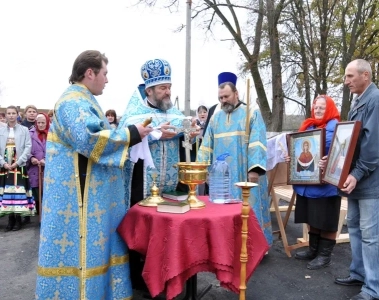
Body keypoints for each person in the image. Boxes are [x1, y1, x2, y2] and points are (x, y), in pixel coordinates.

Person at [35, 50, 153, 300]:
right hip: (77, 203)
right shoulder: (73, 102)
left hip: (91, 201)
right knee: (80, 255)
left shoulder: (84, 99)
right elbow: (90, 139)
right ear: (90, 72)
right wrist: (132, 134)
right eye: (105, 73)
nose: (107, 80)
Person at [119, 58, 199, 293]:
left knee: (167, 230)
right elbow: (125, 129)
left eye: (169, 87)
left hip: (170, 184)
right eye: (163, 88)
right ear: (149, 89)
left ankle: (166, 275)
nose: (168, 92)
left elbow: (182, 128)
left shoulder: (173, 113)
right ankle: (138, 280)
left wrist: (189, 134)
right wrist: (154, 132)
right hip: (141, 183)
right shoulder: (134, 113)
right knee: (142, 229)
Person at [329, 59, 379, 300]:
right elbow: (352, 143)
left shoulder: (376, 101)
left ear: (365, 75)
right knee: (356, 229)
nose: (345, 81)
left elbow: (373, 150)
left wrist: (354, 173)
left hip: (371, 182)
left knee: (373, 237)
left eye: (349, 76)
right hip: (359, 180)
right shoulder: (360, 101)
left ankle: (373, 290)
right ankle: (359, 274)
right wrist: (334, 161)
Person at [197, 72, 273, 246]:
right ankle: (226, 245)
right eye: (220, 97)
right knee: (223, 210)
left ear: (236, 93)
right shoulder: (215, 118)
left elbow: (258, 142)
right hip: (222, 177)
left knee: (249, 209)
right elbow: (206, 145)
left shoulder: (251, 113)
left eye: (226, 96)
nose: (223, 100)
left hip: (245, 174)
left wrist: (254, 169)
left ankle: (254, 247)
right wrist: (202, 169)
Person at [286, 95, 341, 270]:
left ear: (330, 109)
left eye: (322, 108)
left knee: (326, 219)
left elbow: (343, 154)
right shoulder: (308, 126)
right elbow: (301, 151)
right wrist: (292, 157)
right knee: (312, 217)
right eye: (315, 107)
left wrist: (330, 159)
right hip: (306, 182)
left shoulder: (337, 129)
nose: (317, 110)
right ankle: (313, 250)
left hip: (326, 185)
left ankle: (324, 256)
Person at [0, 105, 34, 231]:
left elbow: (28, 147)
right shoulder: (1, 131)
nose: (11, 115)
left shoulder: (24, 130)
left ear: (17, 114)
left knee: (17, 191)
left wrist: (18, 162)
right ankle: (10, 219)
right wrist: (3, 163)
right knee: (7, 192)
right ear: (6, 115)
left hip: (18, 165)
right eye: (8, 113)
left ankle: (18, 219)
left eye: (13, 113)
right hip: (5, 165)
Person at [26, 113, 50, 221]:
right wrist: (31, 158)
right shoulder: (30, 133)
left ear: (47, 122)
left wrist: (46, 159)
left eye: (43, 123)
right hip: (34, 168)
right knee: (36, 193)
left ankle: (47, 218)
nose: (40, 125)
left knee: (48, 194)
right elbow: (25, 149)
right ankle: (39, 217)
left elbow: (55, 151)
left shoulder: (52, 134)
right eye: (38, 122)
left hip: (48, 169)